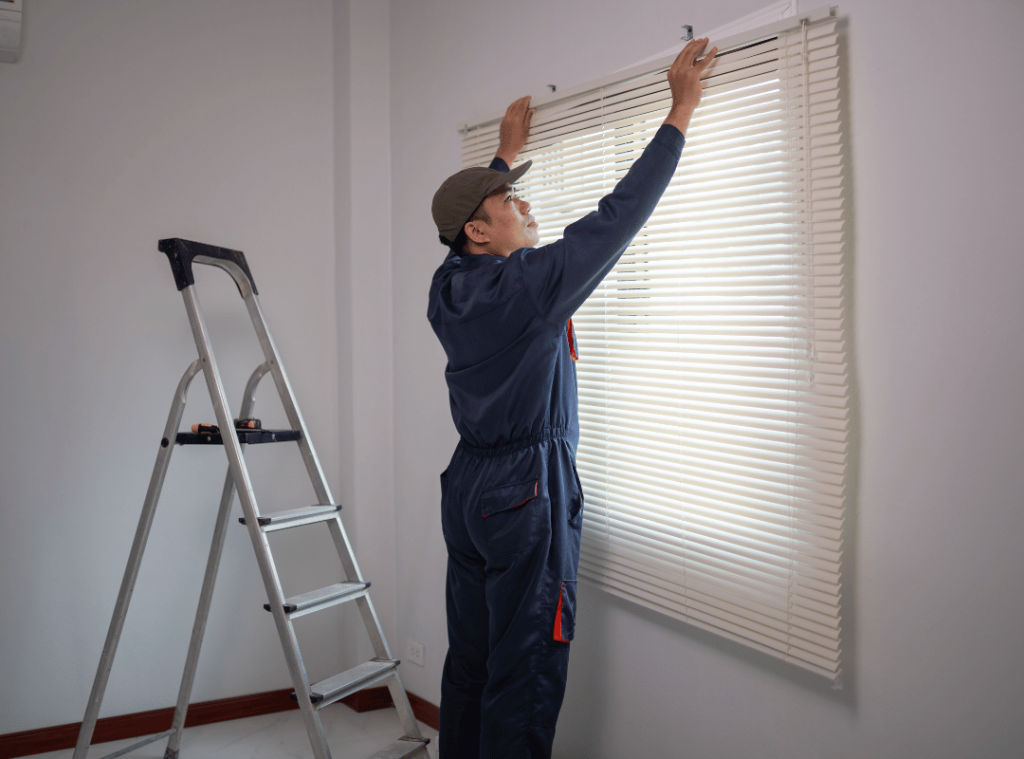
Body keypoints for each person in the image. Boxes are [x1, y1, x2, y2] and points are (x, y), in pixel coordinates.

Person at [427, 37, 717, 759]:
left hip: (467, 487)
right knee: (523, 674)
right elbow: (618, 218)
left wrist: (501, 155)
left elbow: (462, 231)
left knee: (471, 661)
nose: (524, 204)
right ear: (480, 230)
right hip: (524, 490)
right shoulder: (528, 286)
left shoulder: (447, 288)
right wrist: (680, 109)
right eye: (509, 199)